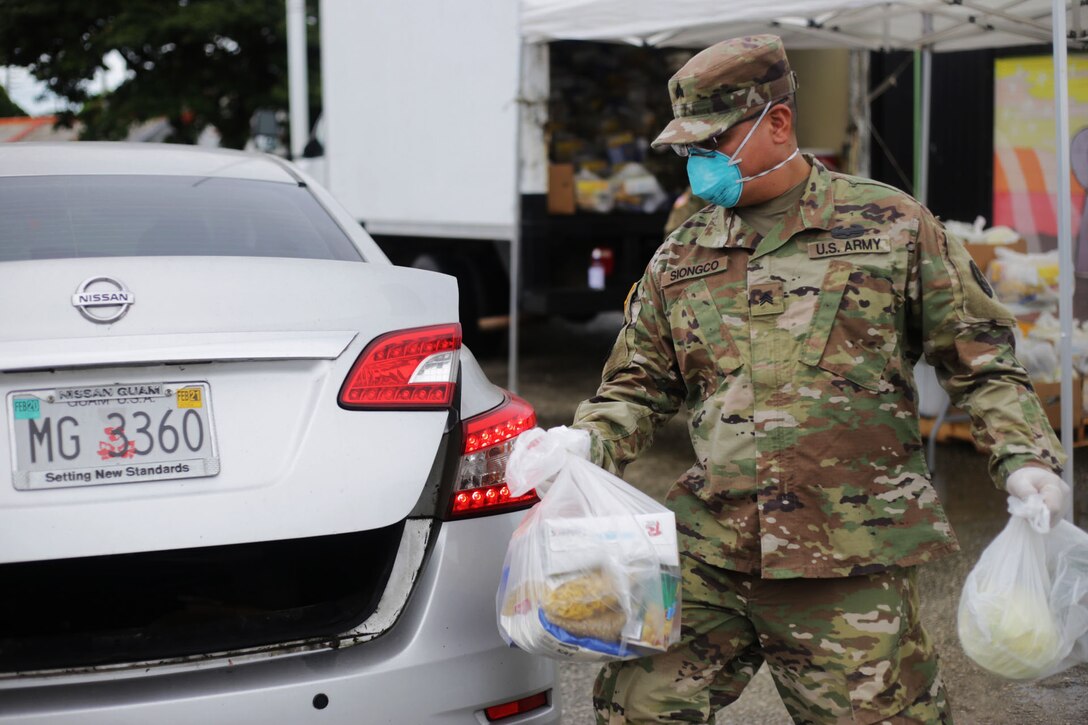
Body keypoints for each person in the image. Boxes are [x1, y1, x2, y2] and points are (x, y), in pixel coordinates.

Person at [556, 35, 1069, 723]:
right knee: (636, 707)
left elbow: (981, 360)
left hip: (847, 558)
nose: (697, 163)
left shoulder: (890, 225)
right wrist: (585, 443)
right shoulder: (682, 254)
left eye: (712, 142)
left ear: (777, 123)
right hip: (713, 549)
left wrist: (1026, 458)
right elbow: (637, 384)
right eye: (688, 149)